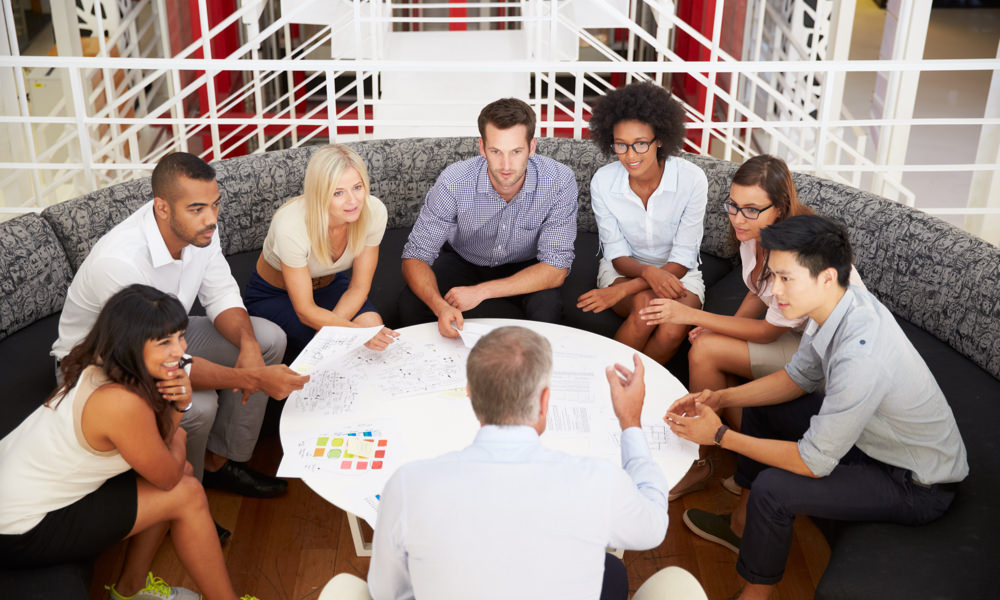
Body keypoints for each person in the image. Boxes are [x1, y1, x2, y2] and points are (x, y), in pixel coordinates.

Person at [665, 215, 968, 600]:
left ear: (826, 277)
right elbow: (797, 377)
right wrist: (721, 398)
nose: (775, 291)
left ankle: (756, 595)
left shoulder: (862, 356)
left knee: (775, 488)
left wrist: (721, 436)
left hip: (913, 482)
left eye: (786, 278)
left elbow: (812, 463)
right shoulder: (838, 304)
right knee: (762, 405)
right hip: (873, 442)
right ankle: (741, 525)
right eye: (772, 276)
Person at [51, 152, 309, 502]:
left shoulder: (202, 230)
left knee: (267, 340)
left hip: (165, 340)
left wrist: (249, 348)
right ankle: (188, 496)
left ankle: (219, 463)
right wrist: (255, 378)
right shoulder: (120, 262)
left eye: (215, 205)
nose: (211, 219)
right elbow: (154, 360)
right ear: (162, 208)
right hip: (101, 365)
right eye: (197, 209)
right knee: (199, 409)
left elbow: (220, 293)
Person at [368, 327, 670, 600]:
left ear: (471, 395)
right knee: (612, 572)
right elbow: (652, 527)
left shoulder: (408, 484)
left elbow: (386, 591)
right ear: (544, 400)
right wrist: (631, 422)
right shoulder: (600, 480)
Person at [1, 285, 258, 600]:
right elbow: (166, 475)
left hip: (24, 495)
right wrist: (179, 413)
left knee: (184, 473)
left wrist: (176, 424)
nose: (180, 351)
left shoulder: (106, 363)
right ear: (130, 344)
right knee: (186, 491)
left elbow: (163, 457)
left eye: (180, 335)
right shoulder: (119, 401)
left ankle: (129, 590)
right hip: (20, 527)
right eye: (164, 342)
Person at [637, 156, 860, 500]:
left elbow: (768, 332)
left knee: (706, 351)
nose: (738, 218)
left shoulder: (795, 248)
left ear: (780, 208)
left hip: (829, 352)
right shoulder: (754, 231)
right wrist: (726, 328)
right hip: (800, 332)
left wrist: (693, 317)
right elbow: (760, 291)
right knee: (709, 347)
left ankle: (703, 461)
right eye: (734, 206)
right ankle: (753, 460)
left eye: (751, 209)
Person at [399, 98, 578, 338]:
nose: (506, 165)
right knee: (409, 306)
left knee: (548, 308)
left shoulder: (558, 181)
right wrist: (440, 306)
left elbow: (556, 267)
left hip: (526, 265)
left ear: (532, 147)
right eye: (496, 151)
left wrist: (481, 292)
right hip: (464, 259)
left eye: (516, 151)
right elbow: (416, 256)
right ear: (482, 148)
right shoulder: (454, 181)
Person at [576, 81, 707, 365]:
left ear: (659, 139)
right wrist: (647, 274)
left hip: (681, 274)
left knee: (672, 327)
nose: (630, 155)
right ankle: (605, 385)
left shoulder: (692, 180)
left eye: (640, 144)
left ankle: (639, 393)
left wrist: (624, 290)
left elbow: (684, 257)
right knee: (645, 308)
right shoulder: (604, 181)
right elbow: (617, 254)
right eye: (621, 145)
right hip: (624, 270)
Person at [245, 145, 398, 359]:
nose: (353, 201)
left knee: (372, 327)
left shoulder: (374, 211)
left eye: (357, 187)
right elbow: (305, 310)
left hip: (329, 286)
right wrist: (349, 333)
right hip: (276, 295)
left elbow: (359, 287)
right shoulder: (290, 225)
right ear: (320, 193)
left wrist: (339, 330)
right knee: (339, 351)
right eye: (338, 193)